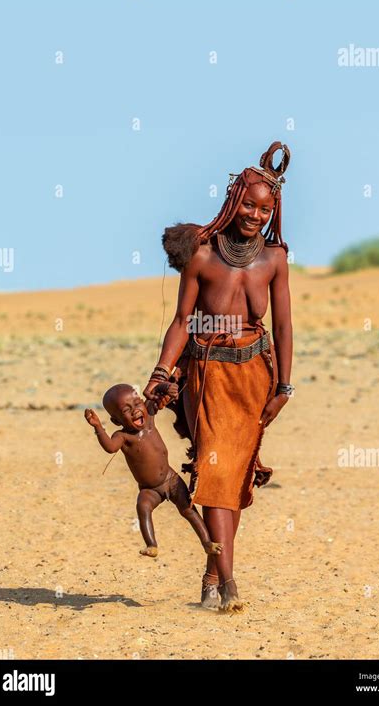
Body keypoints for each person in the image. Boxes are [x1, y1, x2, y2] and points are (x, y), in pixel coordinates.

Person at [143, 141, 294, 612]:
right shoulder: (203, 255)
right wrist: (161, 371)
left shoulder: (274, 259)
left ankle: (212, 573)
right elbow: (182, 320)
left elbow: (286, 325)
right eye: (248, 203)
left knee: (233, 477)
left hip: (255, 377)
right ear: (233, 200)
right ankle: (227, 582)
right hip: (207, 374)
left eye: (265, 209)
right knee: (214, 470)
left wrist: (284, 388)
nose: (255, 215)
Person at [84, 382, 223, 559]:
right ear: (116, 420)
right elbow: (110, 448)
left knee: (188, 509)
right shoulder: (122, 437)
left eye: (136, 404)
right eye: (126, 410)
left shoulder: (149, 416)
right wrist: (97, 427)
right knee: (143, 507)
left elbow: (157, 394)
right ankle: (151, 544)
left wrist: (167, 388)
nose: (135, 411)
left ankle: (207, 542)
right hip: (149, 489)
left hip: (170, 478)